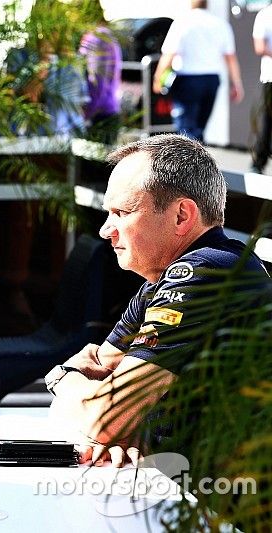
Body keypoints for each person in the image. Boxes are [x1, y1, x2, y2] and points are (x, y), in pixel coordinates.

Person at [46, 134, 268, 467]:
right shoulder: (164, 278)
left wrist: (61, 380)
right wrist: (113, 420)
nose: (107, 229)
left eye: (122, 212)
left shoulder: (204, 271)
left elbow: (103, 415)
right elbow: (101, 394)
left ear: (181, 216)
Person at [152, 0, 243, 143]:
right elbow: (230, 58)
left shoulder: (182, 22)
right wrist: (237, 83)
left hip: (188, 79)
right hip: (212, 80)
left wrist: (158, 78)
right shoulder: (220, 24)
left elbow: (169, 55)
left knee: (186, 128)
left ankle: (189, 163)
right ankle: (199, 161)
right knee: (200, 127)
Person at [79, 9, 122, 144]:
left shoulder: (97, 38)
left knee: (96, 164)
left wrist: (87, 114)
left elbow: (98, 80)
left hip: (99, 114)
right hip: (109, 109)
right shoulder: (107, 36)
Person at [251, 3, 272, 174]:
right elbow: (260, 47)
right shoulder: (265, 15)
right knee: (267, 121)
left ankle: (259, 162)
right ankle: (259, 161)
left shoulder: (264, 15)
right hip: (270, 77)